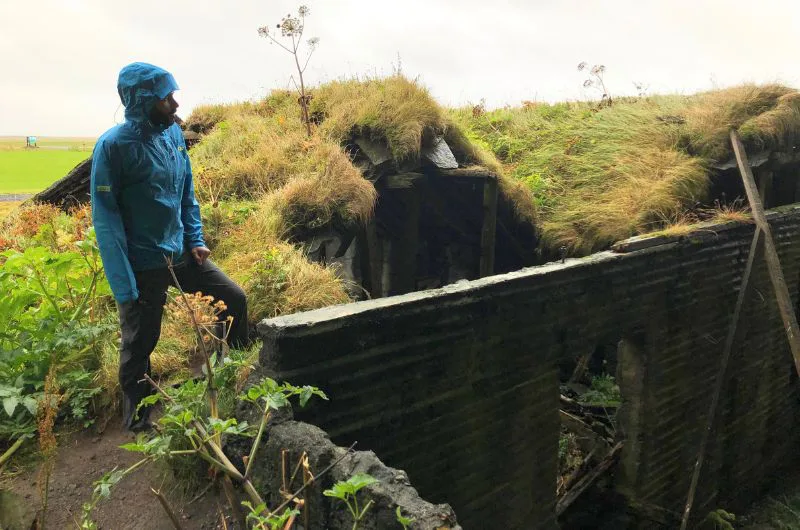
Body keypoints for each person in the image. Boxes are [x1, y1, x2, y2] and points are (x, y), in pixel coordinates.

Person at [91, 62, 248, 432]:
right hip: (143, 263)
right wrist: (124, 287)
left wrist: (195, 238)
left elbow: (186, 192)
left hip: (180, 252)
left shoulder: (173, 135)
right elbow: (106, 220)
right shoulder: (113, 147)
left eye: (174, 96)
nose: (175, 106)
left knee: (235, 299)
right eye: (166, 99)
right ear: (142, 100)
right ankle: (139, 422)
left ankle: (234, 377)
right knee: (141, 342)